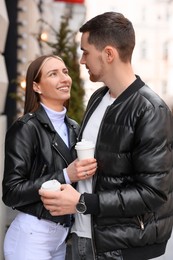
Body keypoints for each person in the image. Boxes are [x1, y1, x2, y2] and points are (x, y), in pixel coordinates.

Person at [39, 12, 173, 260]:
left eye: (86, 52)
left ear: (109, 54)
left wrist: (82, 202)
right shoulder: (97, 98)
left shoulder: (151, 110)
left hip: (122, 248)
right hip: (82, 238)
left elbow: (153, 193)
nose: (81, 61)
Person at [2, 54, 97, 260]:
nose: (64, 78)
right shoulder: (26, 128)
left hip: (61, 238)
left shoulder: (74, 127)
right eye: (53, 74)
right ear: (36, 87)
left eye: (65, 72)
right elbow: (11, 192)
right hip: (31, 237)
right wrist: (65, 175)